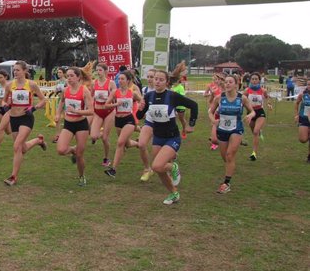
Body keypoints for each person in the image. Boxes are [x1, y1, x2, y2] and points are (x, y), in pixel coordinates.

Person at [136, 65, 198, 205]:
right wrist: (140, 109)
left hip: (172, 137)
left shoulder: (172, 96)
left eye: (161, 79)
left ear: (167, 82)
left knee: (157, 166)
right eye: (156, 79)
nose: (157, 81)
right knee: (159, 169)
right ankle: (174, 193)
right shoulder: (148, 96)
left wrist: (191, 124)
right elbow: (140, 115)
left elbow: (194, 105)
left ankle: (174, 167)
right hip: (158, 137)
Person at [2, 61, 48, 186]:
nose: (15, 72)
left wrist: (33, 108)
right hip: (14, 119)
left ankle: (13, 177)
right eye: (14, 70)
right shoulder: (9, 85)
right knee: (22, 149)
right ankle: (39, 141)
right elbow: (3, 101)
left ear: (24, 71)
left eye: (17, 70)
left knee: (16, 146)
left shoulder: (31, 84)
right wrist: (5, 106)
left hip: (26, 119)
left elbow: (44, 100)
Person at [209, 75, 256, 194]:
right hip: (222, 129)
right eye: (226, 82)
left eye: (230, 82)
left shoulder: (242, 98)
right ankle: (231, 166)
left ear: (236, 84)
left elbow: (252, 111)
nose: (227, 84)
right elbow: (210, 111)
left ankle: (226, 183)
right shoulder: (219, 98)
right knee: (226, 157)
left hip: (236, 129)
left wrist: (250, 115)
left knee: (230, 155)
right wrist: (213, 120)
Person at [54, 66, 93, 186]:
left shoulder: (84, 91)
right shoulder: (66, 90)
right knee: (60, 150)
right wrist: (57, 114)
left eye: (71, 76)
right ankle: (72, 150)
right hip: (68, 123)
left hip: (81, 124)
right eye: (67, 76)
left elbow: (91, 111)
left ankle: (81, 177)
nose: (69, 78)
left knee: (80, 155)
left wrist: (77, 111)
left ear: (78, 77)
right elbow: (61, 102)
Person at [103, 70, 142, 178]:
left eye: (122, 79)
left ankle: (113, 170)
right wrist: (116, 103)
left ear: (128, 81)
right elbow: (106, 105)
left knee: (120, 142)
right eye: (119, 79)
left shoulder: (132, 93)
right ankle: (139, 144)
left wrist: (141, 110)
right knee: (127, 144)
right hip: (118, 120)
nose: (119, 81)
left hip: (129, 119)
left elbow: (142, 101)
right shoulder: (115, 92)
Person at [90, 63, 116, 166]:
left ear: (106, 71)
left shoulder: (111, 83)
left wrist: (109, 102)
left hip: (109, 112)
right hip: (98, 111)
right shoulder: (94, 83)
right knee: (93, 136)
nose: (98, 72)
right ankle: (99, 135)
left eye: (100, 70)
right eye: (97, 70)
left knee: (105, 138)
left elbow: (115, 96)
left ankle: (106, 158)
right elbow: (91, 96)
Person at [243, 72, 271, 161]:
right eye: (253, 79)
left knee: (255, 132)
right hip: (250, 112)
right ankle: (259, 132)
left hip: (260, 112)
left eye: (256, 79)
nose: (254, 81)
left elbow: (267, 97)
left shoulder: (263, 90)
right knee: (254, 132)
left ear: (259, 80)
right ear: (250, 80)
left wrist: (269, 104)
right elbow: (242, 101)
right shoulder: (247, 90)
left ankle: (254, 153)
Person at [294, 86, 310, 163]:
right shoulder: (302, 95)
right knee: (303, 139)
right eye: (308, 84)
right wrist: (296, 115)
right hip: (304, 118)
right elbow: (297, 104)